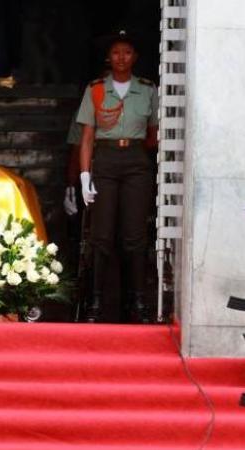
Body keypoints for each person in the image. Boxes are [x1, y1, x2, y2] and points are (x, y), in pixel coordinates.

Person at [75, 30, 158, 324]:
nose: (121, 57)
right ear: (108, 58)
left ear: (135, 57)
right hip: (106, 160)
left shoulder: (148, 89)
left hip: (136, 160)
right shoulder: (96, 89)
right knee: (101, 235)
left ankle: (136, 302)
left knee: (135, 235)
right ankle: (95, 303)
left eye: (127, 52)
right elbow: (86, 137)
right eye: (116, 52)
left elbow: (153, 135)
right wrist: (85, 176)